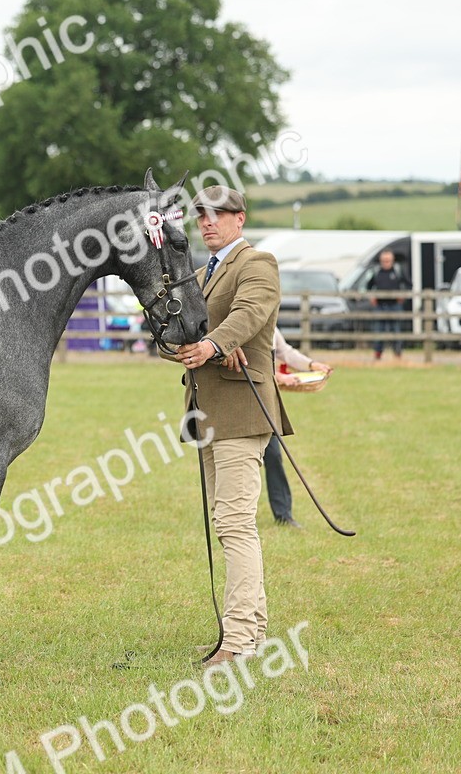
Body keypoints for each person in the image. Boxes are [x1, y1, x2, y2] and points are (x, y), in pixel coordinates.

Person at [166, 185, 291, 667]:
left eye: (219, 215)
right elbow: (174, 328)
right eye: (201, 216)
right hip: (207, 411)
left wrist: (213, 345)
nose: (208, 223)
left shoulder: (257, 264)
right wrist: (186, 345)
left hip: (243, 409)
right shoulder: (200, 274)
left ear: (240, 219)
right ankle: (250, 633)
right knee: (230, 524)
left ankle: (237, 640)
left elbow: (250, 314)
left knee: (235, 524)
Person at [265, 329, 333, 528]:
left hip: (266, 402)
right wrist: (278, 376)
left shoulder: (269, 316)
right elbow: (247, 359)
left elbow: (284, 351)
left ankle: (284, 515)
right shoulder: (245, 313)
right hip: (242, 399)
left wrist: (312, 365)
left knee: (274, 456)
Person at [366, 250, 409, 359]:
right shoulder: (376, 272)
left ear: (392, 260)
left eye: (388, 260)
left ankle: (397, 354)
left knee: (396, 331)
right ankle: (377, 355)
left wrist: (402, 295)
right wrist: (372, 297)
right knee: (379, 331)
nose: (386, 263)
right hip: (380, 306)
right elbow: (368, 287)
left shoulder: (398, 271)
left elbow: (409, 285)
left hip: (395, 305)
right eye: (384, 261)